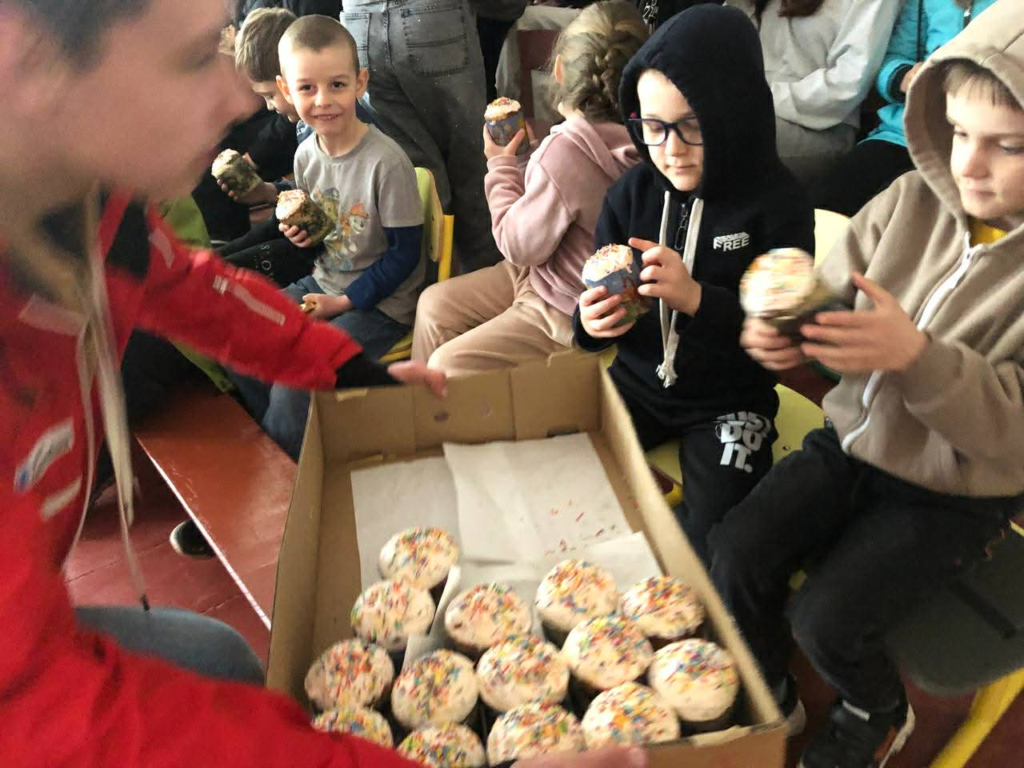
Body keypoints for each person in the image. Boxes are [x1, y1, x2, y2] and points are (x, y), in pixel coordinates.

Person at [0, 2, 643, 767]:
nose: (242, 96)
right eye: (192, 57)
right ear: (33, 62)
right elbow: (53, 716)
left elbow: (189, 286)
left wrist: (345, 368)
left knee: (219, 659)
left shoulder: (93, 211)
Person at [711, 2, 1024, 765]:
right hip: (852, 441)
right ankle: (769, 692)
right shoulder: (909, 199)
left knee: (826, 620)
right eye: (954, 133)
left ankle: (875, 705)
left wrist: (916, 357)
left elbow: (1011, 433)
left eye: (1006, 146)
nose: (968, 164)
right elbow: (832, 289)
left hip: (957, 490)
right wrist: (787, 333)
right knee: (733, 551)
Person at [574, 4, 814, 564]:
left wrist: (698, 299)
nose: (671, 149)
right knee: (569, 477)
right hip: (635, 387)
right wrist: (588, 326)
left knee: (715, 535)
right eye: (653, 128)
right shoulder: (629, 195)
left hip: (730, 403)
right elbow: (590, 323)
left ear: (737, 115)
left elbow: (783, 339)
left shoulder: (777, 204)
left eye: (693, 126)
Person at [229, 14, 427, 461]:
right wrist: (301, 235)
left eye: (337, 85)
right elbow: (320, 235)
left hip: (382, 306)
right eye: (307, 88)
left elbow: (404, 258)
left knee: (292, 382)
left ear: (360, 83)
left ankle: (296, 472)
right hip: (325, 285)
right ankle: (292, 448)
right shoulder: (305, 155)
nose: (323, 101)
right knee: (241, 338)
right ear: (285, 89)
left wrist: (343, 302)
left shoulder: (387, 163)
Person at [412, 0, 646, 376]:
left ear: (557, 70)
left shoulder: (564, 152)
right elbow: (563, 203)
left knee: (447, 364)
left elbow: (517, 245)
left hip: (564, 304)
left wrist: (501, 164)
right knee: (435, 305)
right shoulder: (645, 141)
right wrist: (528, 160)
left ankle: (443, 420)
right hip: (551, 274)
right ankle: (430, 421)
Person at [340, 0, 503, 272]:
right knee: (470, 167)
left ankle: (432, 285)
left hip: (359, 21)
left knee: (418, 176)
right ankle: (483, 283)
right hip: (434, 20)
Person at [813, 0, 998, 216]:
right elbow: (890, 58)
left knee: (903, 216)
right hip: (902, 133)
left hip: (977, 141)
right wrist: (903, 76)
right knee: (825, 205)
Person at [726, 0, 901, 187]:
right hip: (746, 106)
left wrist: (756, 97)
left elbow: (847, 84)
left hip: (819, 126)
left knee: (723, 139)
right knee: (704, 128)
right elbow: (722, 41)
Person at [217, 6, 320, 288]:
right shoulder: (303, 126)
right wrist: (266, 192)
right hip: (300, 230)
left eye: (270, 95)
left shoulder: (328, 131)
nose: (268, 106)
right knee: (218, 260)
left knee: (224, 276)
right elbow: (309, 189)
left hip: (323, 251)